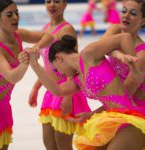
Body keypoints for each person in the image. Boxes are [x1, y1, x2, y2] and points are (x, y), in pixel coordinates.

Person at [19, 33, 145, 150]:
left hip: (130, 119)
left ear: (59, 58)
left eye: (57, 69)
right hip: (111, 121)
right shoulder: (78, 79)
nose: (61, 74)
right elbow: (57, 90)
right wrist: (34, 64)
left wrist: (133, 66)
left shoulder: (88, 54)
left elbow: (125, 37)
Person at [28, 0, 91, 150]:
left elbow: (75, 64)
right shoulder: (46, 29)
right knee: (49, 144)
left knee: (62, 146)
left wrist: (68, 96)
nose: (52, 5)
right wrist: (36, 88)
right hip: (51, 93)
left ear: (64, 4)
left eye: (56, 1)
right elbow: (48, 66)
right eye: (48, 1)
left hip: (66, 91)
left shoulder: (67, 30)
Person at [0, 0, 53, 149]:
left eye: (16, 13)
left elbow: (48, 37)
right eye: (9, 14)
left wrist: (35, 48)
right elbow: (12, 76)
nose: (15, 17)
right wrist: (25, 61)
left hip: (3, 105)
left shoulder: (18, 35)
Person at [101, 0, 145, 105]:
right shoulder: (115, 29)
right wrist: (118, 54)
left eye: (133, 13)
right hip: (112, 103)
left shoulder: (142, 54)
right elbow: (97, 49)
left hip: (133, 109)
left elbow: (123, 97)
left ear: (143, 21)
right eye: (124, 11)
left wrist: (92, 114)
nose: (126, 16)